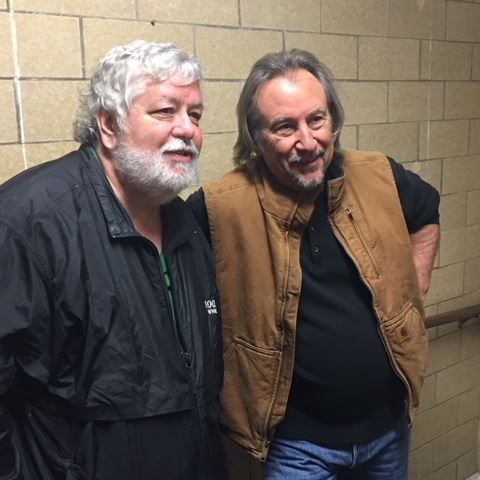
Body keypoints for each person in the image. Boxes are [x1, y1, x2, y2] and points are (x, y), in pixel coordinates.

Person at [188, 49, 440, 479]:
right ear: (255, 137)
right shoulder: (218, 208)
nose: (307, 142)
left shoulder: (378, 173)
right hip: (296, 448)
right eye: (285, 127)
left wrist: (410, 295)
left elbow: (426, 211)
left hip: (388, 429)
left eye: (316, 120)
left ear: (333, 119)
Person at [0, 40, 226, 480]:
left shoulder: (183, 219)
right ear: (108, 124)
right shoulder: (28, 221)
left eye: (195, 115)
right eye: (166, 111)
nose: (187, 129)